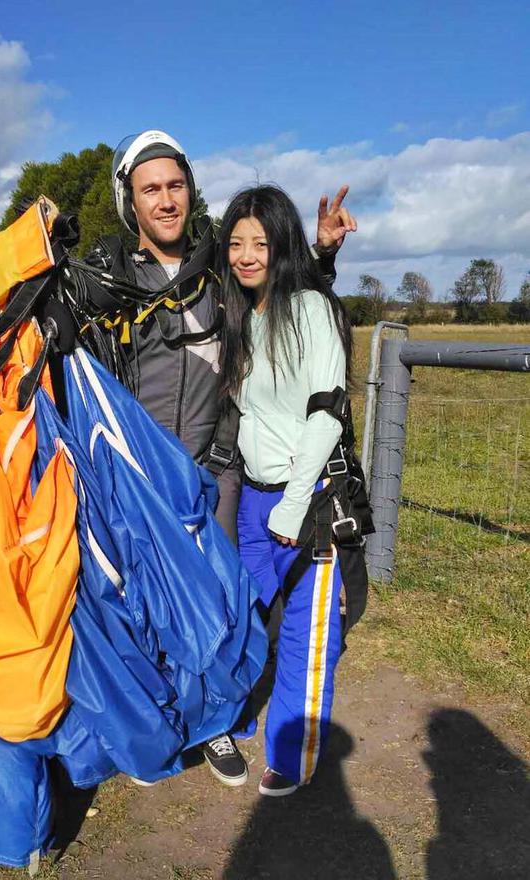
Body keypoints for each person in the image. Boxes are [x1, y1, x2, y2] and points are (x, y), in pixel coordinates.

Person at [102, 131, 355, 787]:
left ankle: (216, 723)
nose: (166, 199)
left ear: (190, 189)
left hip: (219, 477)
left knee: (219, 604)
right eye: (151, 189)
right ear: (130, 201)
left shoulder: (216, 272)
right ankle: (156, 727)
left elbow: (286, 295)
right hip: (139, 480)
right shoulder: (109, 285)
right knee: (141, 604)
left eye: (175, 185)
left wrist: (322, 256)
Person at [217, 184, 359, 797]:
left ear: (282, 246)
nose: (247, 254)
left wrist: (296, 504)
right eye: (236, 242)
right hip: (251, 498)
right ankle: (237, 715)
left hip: (307, 503)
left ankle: (291, 753)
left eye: (261, 242)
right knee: (247, 616)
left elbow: (326, 412)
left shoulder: (311, 311)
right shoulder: (244, 316)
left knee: (306, 629)